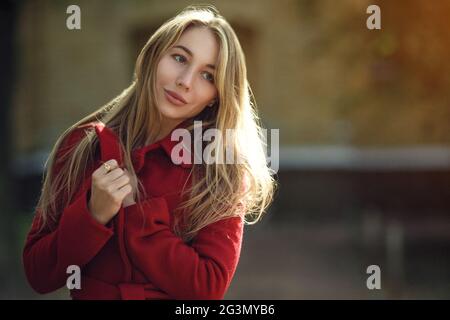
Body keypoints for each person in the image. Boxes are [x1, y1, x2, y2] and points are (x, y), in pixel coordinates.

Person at [23, 4, 275, 300]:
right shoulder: (81, 146)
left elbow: (207, 289)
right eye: (179, 58)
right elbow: (38, 274)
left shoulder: (219, 169)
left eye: (207, 76)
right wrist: (92, 215)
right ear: (154, 56)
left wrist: (137, 214)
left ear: (215, 97)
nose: (185, 81)